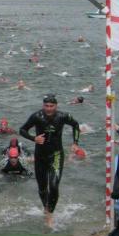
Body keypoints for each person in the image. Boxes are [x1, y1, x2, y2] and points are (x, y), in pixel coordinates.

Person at [19, 94, 80, 228]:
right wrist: (33, 138)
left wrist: (75, 142)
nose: (49, 109)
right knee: (42, 188)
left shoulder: (63, 116)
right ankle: (46, 207)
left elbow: (76, 125)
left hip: (56, 154)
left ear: (56, 106)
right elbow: (22, 130)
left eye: (51, 106)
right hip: (40, 155)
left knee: (53, 185)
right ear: (43, 106)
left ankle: (49, 214)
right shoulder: (37, 116)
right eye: (46, 106)